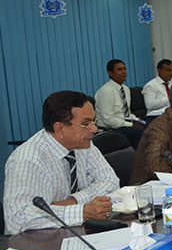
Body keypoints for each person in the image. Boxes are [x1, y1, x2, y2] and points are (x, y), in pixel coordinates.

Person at [3, 91, 119, 234]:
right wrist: (83, 211)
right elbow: (18, 218)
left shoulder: (83, 144)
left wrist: (73, 202)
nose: (94, 129)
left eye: (94, 121)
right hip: (36, 241)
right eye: (86, 124)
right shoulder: (27, 160)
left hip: (76, 231)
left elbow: (111, 181)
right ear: (59, 129)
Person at [94, 59, 143, 148]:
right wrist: (132, 125)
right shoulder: (106, 91)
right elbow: (108, 120)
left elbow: (126, 113)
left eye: (124, 69)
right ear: (110, 73)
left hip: (124, 123)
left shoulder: (126, 89)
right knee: (140, 132)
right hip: (110, 128)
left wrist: (137, 120)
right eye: (119, 70)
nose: (124, 72)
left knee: (150, 126)